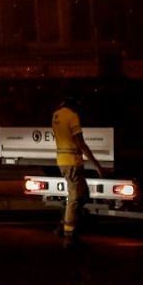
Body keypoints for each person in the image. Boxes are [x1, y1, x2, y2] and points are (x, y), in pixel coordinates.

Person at [51, 90, 104, 246]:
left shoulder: (56, 115)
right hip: (73, 162)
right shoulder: (72, 116)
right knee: (75, 198)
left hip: (62, 161)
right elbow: (81, 144)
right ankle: (69, 233)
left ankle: (64, 224)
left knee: (82, 194)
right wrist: (97, 166)